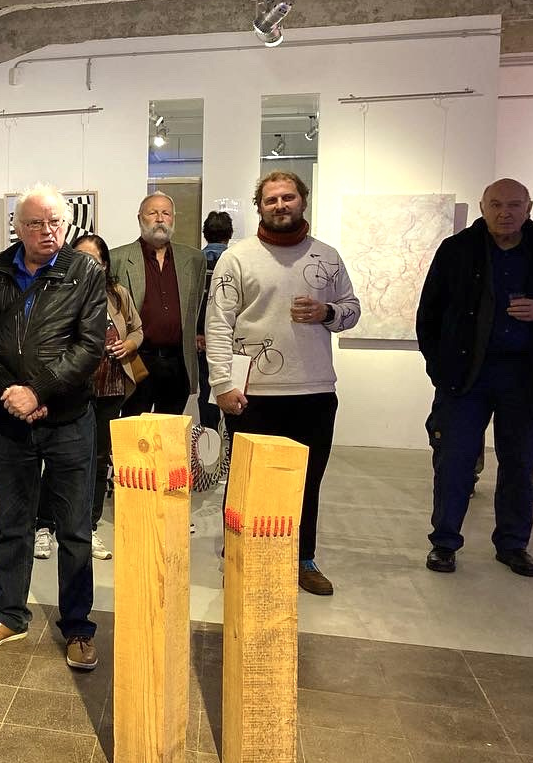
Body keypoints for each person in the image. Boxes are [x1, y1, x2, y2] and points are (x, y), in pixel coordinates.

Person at [0, 185, 106, 669]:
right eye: (36, 224)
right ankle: (9, 615)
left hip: (68, 419)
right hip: (9, 420)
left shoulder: (85, 271)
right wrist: (10, 390)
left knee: (75, 530)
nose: (48, 232)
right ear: (18, 228)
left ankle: (78, 626)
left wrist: (38, 392)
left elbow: (88, 347)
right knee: (12, 524)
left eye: (56, 222)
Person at [205, 172, 360, 596]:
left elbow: (351, 309)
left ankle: (302, 557)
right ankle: (241, 554)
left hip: (315, 391)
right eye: (271, 199)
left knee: (308, 481)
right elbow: (217, 324)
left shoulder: (327, 257)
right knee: (247, 481)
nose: (280, 205)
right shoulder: (236, 258)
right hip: (254, 394)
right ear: (259, 206)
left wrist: (328, 312)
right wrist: (222, 383)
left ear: (302, 200)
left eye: (288, 197)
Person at [416, 178, 533, 577]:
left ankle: (513, 545)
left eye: (514, 205)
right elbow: (429, 315)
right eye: (496, 205)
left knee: (520, 463)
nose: (505, 213)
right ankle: (444, 543)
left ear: (529, 208)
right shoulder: (457, 250)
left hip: (524, 377)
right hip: (465, 378)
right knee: (454, 462)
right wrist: (438, 368)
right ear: (483, 208)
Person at [38, 232, 142, 563]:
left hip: (109, 387)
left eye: (94, 260)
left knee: (98, 460)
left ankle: (89, 526)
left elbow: (138, 328)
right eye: (80, 258)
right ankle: (44, 525)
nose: (87, 265)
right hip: (69, 389)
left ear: (105, 264)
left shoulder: (118, 294)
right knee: (59, 458)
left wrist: (129, 344)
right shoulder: (57, 291)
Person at [110, 192, 207, 417]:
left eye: (166, 213)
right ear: (140, 218)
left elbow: (197, 306)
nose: (160, 219)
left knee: (171, 430)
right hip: (136, 360)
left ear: (173, 218)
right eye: (153, 213)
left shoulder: (194, 259)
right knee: (133, 428)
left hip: (178, 361)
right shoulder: (117, 259)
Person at [197, 211, 234, 430]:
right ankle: (230, 436)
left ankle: (208, 438)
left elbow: (195, 301)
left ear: (205, 233)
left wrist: (198, 332)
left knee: (206, 389)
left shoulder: (197, 261)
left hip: (201, 338)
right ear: (229, 234)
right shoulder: (235, 260)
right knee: (233, 386)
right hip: (230, 338)